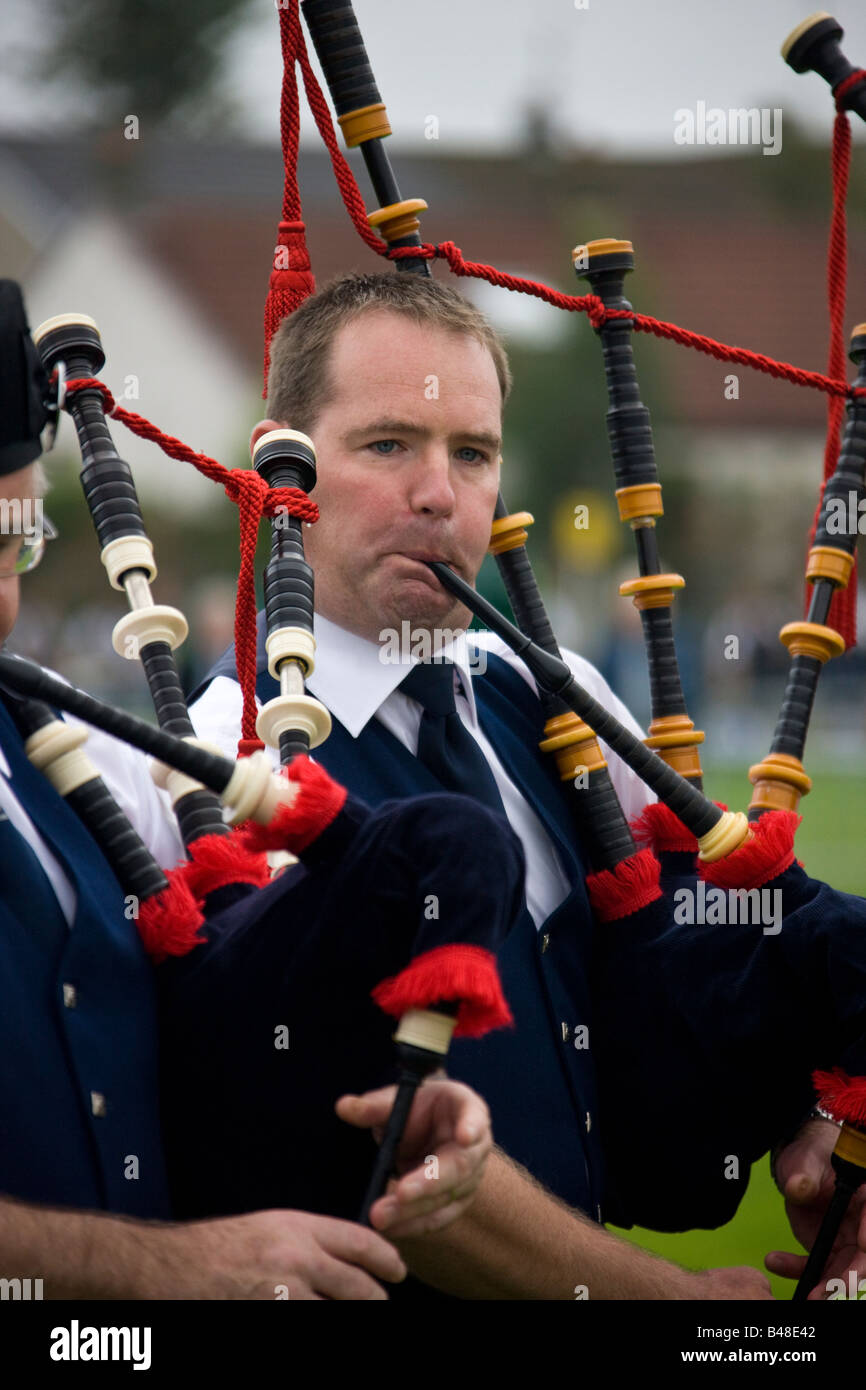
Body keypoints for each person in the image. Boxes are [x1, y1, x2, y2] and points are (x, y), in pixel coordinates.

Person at [188, 270, 837, 1299]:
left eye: (472, 453)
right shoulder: (222, 766)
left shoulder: (548, 709)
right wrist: (659, 1300)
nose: (439, 493)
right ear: (281, 471)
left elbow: (684, 989)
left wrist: (823, 1118)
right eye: (388, 444)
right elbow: (381, 1136)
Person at [0, 283, 499, 1301]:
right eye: (388, 445)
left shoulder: (41, 748)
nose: (3, 598)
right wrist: (166, 1270)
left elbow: (187, 1048)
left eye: (17, 547)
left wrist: (362, 1072)